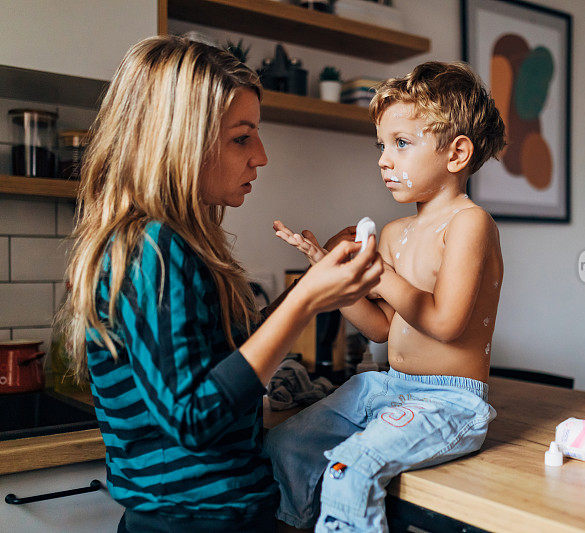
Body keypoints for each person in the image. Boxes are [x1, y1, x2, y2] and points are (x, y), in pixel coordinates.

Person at [55, 35, 382, 533]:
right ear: (179, 139)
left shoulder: (173, 245)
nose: (261, 156)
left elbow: (226, 368)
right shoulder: (152, 248)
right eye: (241, 137)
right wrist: (307, 299)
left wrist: (312, 288)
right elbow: (194, 417)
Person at [266, 61, 506, 532]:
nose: (383, 159)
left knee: (349, 469)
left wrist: (374, 271)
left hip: (449, 401)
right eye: (381, 145)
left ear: (457, 154)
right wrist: (332, 272)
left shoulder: (469, 224)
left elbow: (444, 324)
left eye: (401, 143)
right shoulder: (395, 232)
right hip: (387, 384)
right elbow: (380, 327)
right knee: (283, 444)